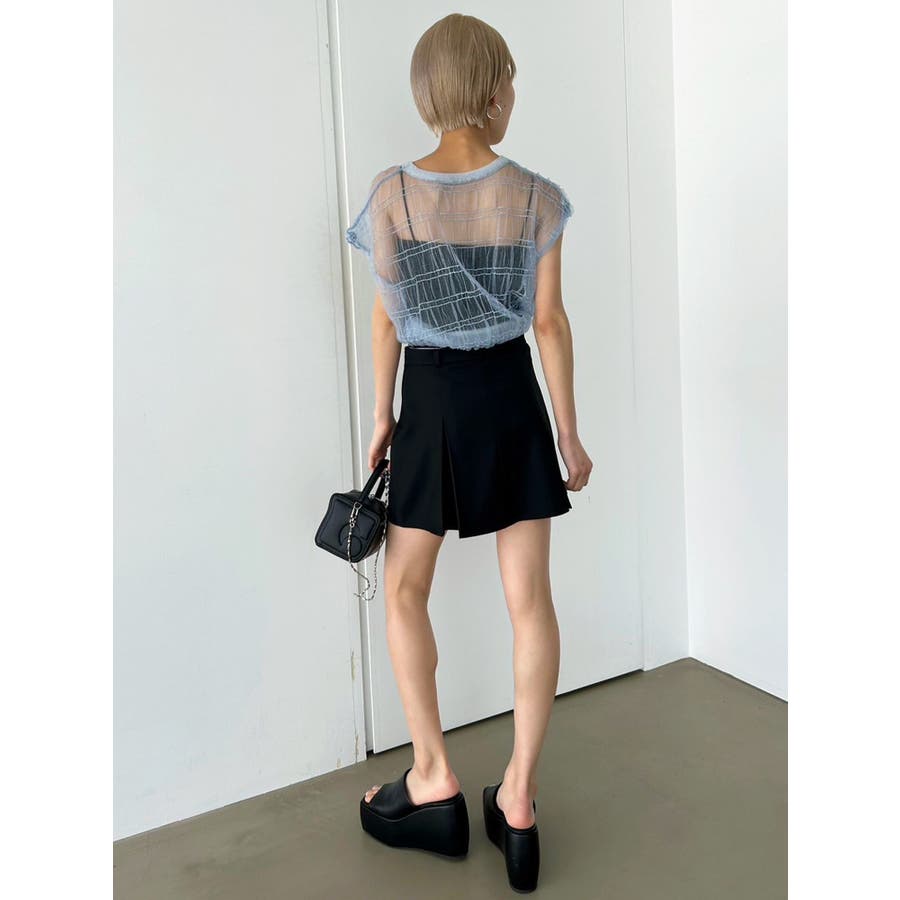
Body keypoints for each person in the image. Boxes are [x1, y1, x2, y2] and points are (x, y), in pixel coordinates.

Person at [344, 13, 592, 893]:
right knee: (531, 602)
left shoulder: (392, 195)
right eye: (510, 80)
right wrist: (567, 429)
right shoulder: (536, 196)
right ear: (490, 92)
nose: (514, 93)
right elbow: (549, 323)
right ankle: (517, 799)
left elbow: (386, 321)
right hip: (513, 401)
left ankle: (432, 778)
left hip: (433, 401)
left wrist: (383, 416)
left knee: (405, 590)